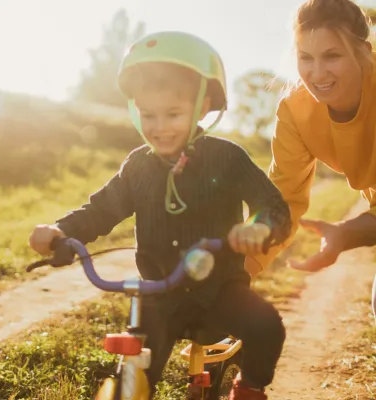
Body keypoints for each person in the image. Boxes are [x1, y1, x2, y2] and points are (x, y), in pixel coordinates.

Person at [29, 31, 292, 399]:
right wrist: (61, 230)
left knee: (267, 325)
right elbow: (103, 208)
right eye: (148, 114)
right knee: (133, 378)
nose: (159, 126)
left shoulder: (228, 158)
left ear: (201, 108)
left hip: (219, 291)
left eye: (173, 113)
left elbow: (275, 207)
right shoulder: (138, 166)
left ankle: (248, 388)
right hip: (157, 297)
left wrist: (259, 228)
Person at [247, 0, 376, 276]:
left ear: (363, 52)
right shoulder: (295, 111)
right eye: (306, 57)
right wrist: (235, 274)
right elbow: (284, 200)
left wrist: (347, 232)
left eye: (332, 56)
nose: (317, 74)